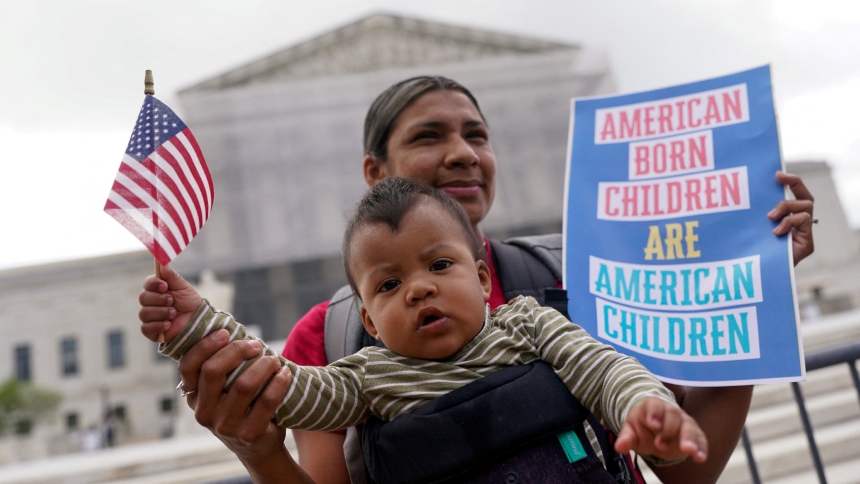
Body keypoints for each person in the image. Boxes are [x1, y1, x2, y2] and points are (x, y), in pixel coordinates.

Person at [138, 76, 815, 484]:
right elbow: (286, 389)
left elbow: (685, 466)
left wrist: (752, 281)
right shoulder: (337, 340)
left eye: (477, 135)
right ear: (376, 173)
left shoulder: (569, 283)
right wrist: (251, 439)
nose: (463, 152)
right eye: (431, 135)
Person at [146, 177, 709, 478]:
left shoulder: (530, 324)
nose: (417, 288)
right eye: (388, 285)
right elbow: (281, 386)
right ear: (368, 318)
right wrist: (195, 325)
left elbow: (604, 369)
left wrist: (644, 408)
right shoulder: (365, 377)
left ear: (482, 277)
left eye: (440, 266)